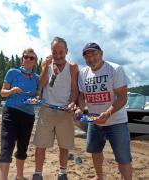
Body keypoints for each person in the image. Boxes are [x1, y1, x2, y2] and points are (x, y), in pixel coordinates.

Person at [75, 42, 133, 180]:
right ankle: (99, 176)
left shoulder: (115, 69)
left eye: (94, 54)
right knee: (95, 151)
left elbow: (123, 97)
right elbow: (82, 96)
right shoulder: (83, 73)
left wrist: (108, 113)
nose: (91, 59)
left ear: (101, 54)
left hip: (117, 121)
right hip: (94, 121)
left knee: (123, 157)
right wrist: (80, 108)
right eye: (87, 56)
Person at [32, 37, 78, 180]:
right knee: (40, 144)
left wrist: (73, 102)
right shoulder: (47, 64)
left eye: (61, 52)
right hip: (46, 110)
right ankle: (38, 173)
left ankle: (62, 173)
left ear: (66, 51)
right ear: (51, 51)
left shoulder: (72, 67)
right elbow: (41, 84)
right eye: (54, 52)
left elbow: (75, 90)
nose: (57, 55)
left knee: (64, 145)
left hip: (65, 112)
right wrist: (45, 67)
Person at [0, 48, 40, 180]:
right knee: (7, 147)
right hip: (10, 112)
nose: (28, 59)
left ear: (35, 62)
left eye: (31, 58)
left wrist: (36, 100)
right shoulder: (12, 72)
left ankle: (20, 177)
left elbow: (38, 97)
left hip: (28, 116)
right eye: (25, 57)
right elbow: (2, 92)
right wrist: (11, 91)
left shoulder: (37, 78)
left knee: (22, 148)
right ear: (22, 59)